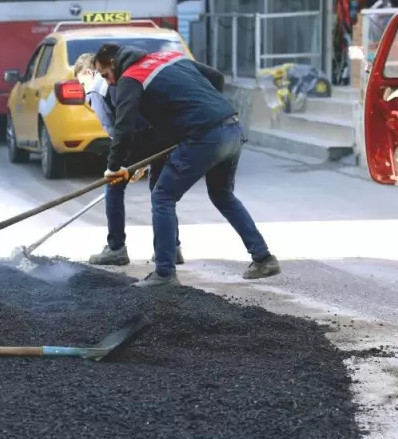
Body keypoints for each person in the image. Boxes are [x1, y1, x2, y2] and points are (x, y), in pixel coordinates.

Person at [94, 42, 280, 286]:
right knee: (222, 195)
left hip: (206, 137)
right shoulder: (170, 58)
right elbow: (216, 77)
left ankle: (164, 274)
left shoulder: (131, 76)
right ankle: (263, 258)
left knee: (162, 196)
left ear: (113, 63)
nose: (108, 82)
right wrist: (209, 111)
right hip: (232, 126)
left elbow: (124, 126)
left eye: (106, 75)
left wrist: (114, 166)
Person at [73, 54, 185, 268]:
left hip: (137, 138)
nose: (83, 88)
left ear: (89, 72)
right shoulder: (124, 78)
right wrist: (141, 162)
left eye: (81, 82)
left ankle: (116, 248)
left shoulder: (97, 88)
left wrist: (124, 163)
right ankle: (171, 247)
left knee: (113, 186)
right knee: (160, 192)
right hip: (161, 135)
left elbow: (114, 130)